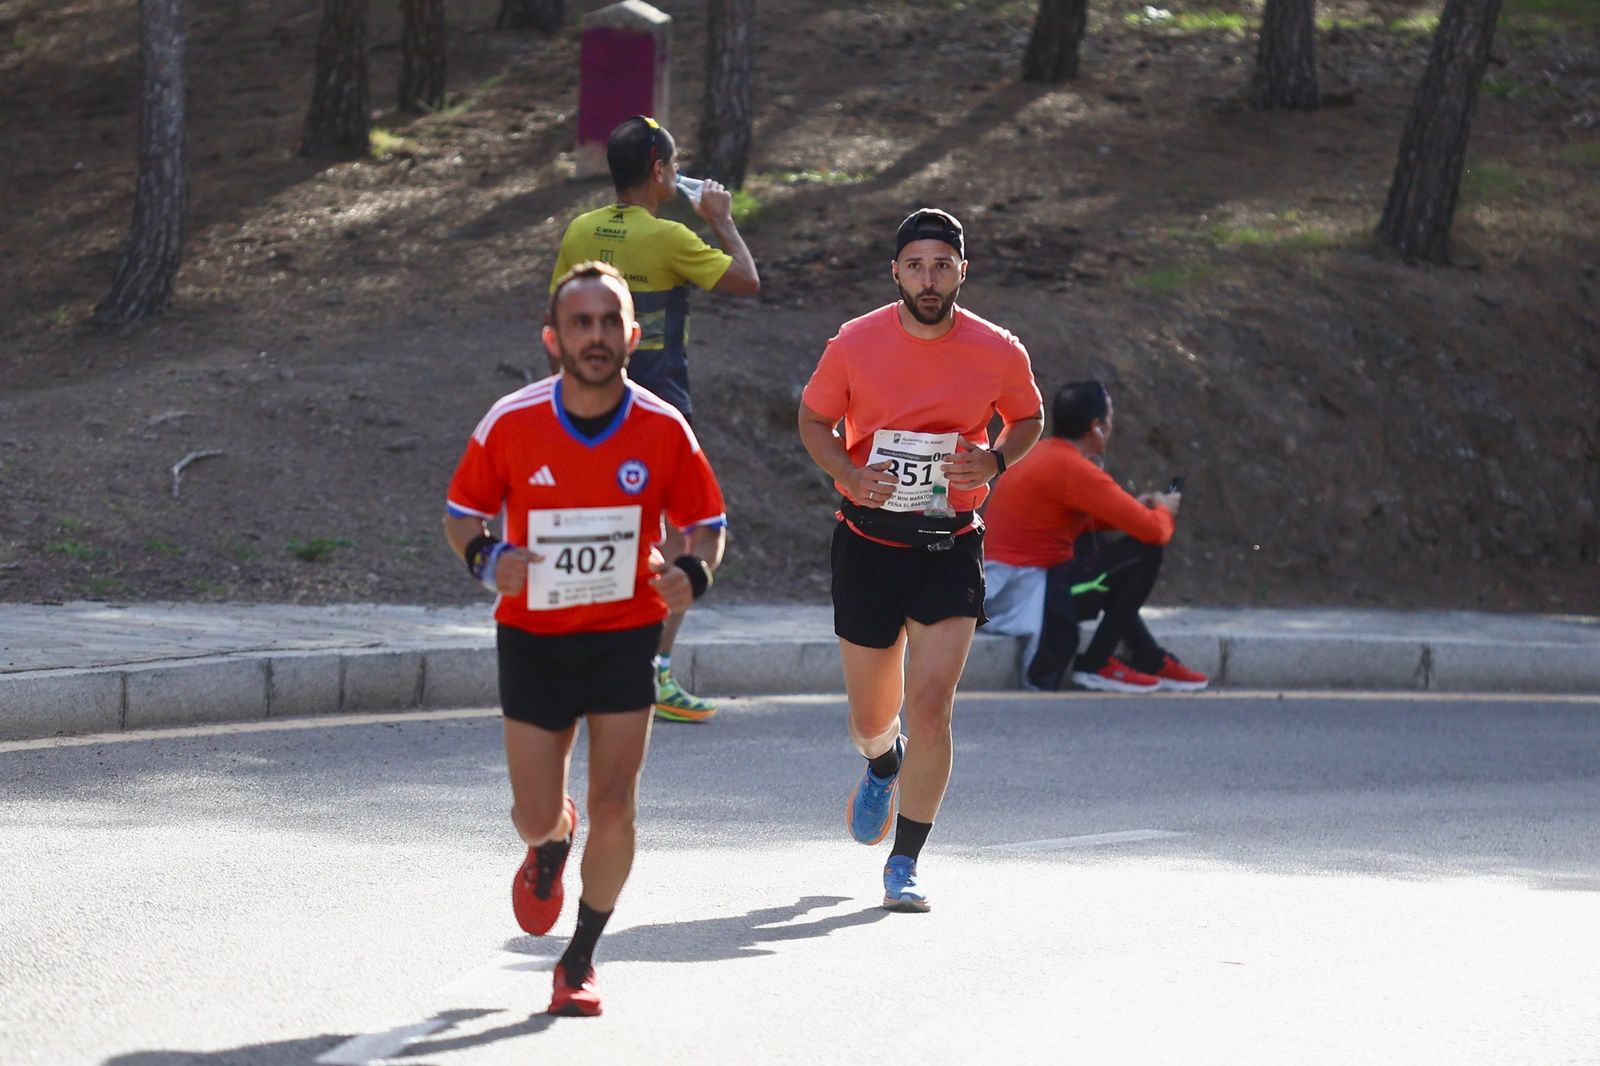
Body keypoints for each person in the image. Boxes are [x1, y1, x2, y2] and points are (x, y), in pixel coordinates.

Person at [443, 261, 728, 1017]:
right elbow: (461, 513)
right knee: (533, 813)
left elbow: (708, 526)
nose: (596, 336)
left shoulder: (664, 430)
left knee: (619, 805)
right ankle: (551, 838)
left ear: (633, 335)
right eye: (581, 322)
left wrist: (692, 576)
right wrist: (487, 559)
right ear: (553, 338)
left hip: (623, 634)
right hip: (534, 638)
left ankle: (579, 960)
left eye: (610, 322)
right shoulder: (511, 421)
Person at [797, 208, 1043, 912]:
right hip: (869, 541)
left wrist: (995, 457)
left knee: (931, 707)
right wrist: (847, 471)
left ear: (963, 270)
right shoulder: (855, 343)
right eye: (916, 265)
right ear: (895, 272)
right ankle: (882, 763)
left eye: (942, 265)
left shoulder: (998, 350)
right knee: (872, 717)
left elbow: (1029, 417)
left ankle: (904, 863)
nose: (928, 279)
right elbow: (814, 421)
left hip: (949, 542)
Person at [550, 114, 759, 724]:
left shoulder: (580, 229)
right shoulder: (669, 237)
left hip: (587, 404)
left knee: (592, 530)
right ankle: (654, 672)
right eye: (672, 163)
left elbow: (557, 321)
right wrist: (721, 219)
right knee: (685, 534)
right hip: (659, 407)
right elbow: (746, 280)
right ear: (660, 171)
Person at [983, 380, 1208, 693]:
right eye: (1110, 418)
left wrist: (1137, 508)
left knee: (1094, 543)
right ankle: (1097, 662)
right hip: (1028, 590)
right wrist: (1166, 508)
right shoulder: (1073, 467)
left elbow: (1074, 519)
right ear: (1097, 427)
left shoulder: (1042, 453)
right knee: (1143, 554)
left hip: (1006, 583)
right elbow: (1156, 532)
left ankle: (1148, 656)